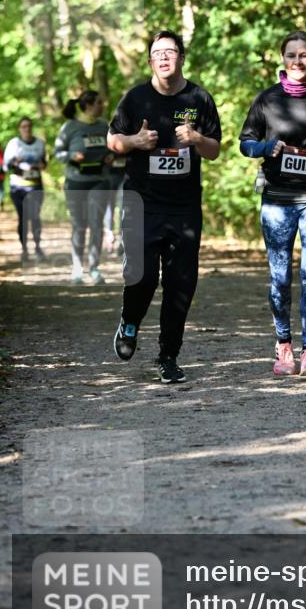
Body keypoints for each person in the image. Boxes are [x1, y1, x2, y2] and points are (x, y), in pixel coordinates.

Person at [107, 30, 221, 384]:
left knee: (180, 284)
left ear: (181, 57)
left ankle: (168, 356)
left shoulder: (199, 98)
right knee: (142, 278)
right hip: (142, 204)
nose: (164, 57)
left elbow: (215, 149)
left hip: (184, 209)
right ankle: (129, 321)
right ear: (150, 61)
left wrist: (197, 139)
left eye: (170, 51)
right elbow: (113, 141)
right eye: (157, 53)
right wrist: (134, 141)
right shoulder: (135, 98)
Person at [239, 31, 306, 380]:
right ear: (282, 59)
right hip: (278, 199)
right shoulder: (267, 100)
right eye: (291, 55)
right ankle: (283, 345)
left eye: (303, 55)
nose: (297, 61)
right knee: (280, 276)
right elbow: (246, 143)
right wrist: (265, 148)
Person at [54, 90, 113, 284]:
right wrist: (71, 156)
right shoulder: (69, 127)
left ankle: (94, 269)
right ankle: (77, 268)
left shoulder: (104, 125)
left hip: (99, 180)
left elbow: (112, 148)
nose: (102, 106)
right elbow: (58, 154)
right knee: (79, 225)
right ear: (87, 105)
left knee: (96, 224)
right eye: (98, 102)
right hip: (76, 181)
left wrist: (110, 156)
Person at [3, 117, 48, 261]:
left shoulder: (40, 143)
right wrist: (16, 162)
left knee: (35, 217)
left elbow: (44, 163)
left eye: (29, 126)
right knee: (23, 218)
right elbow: (7, 165)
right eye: (23, 126)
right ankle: (24, 249)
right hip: (18, 187)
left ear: (32, 127)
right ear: (19, 128)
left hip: (35, 185)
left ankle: (37, 247)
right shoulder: (13, 144)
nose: (26, 129)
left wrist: (40, 165)